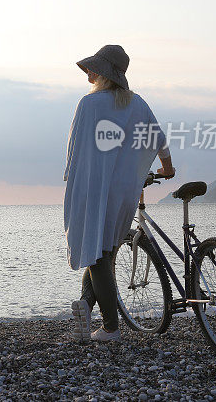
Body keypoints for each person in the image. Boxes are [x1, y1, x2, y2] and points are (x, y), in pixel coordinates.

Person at [63, 44, 174, 342]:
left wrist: (69, 180)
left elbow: (74, 151)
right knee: (104, 252)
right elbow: (158, 139)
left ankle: (111, 327)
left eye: (93, 66)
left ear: (103, 72)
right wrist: (168, 168)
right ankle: (85, 307)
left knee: (96, 256)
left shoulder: (88, 105)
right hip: (125, 190)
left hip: (94, 187)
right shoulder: (136, 103)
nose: (89, 71)